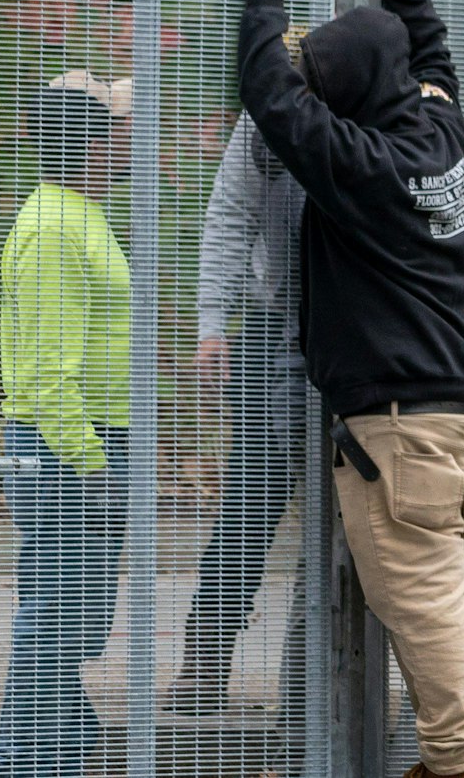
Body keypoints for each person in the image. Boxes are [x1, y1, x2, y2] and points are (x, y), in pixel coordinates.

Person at [234, 0, 464, 778]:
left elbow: (272, 98)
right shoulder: (445, 136)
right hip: (456, 416)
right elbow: (434, 53)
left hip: (402, 426)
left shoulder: (368, 166)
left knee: (429, 619)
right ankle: (443, 760)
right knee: (436, 614)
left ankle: (460, 766)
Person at [0, 70, 133, 777]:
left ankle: (61, 745)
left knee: (69, 621)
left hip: (87, 442)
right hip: (67, 448)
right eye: (117, 127)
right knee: (53, 618)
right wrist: (91, 461)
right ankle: (29, 760)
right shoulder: (52, 228)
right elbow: (49, 372)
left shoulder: (78, 212)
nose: (129, 140)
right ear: (95, 142)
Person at [165, 113, 312, 733]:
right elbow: (230, 211)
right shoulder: (269, 108)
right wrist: (212, 323)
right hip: (272, 322)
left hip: (353, 333)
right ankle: (202, 664)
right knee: (250, 505)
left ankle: (310, 692)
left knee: (346, 522)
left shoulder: (381, 83)